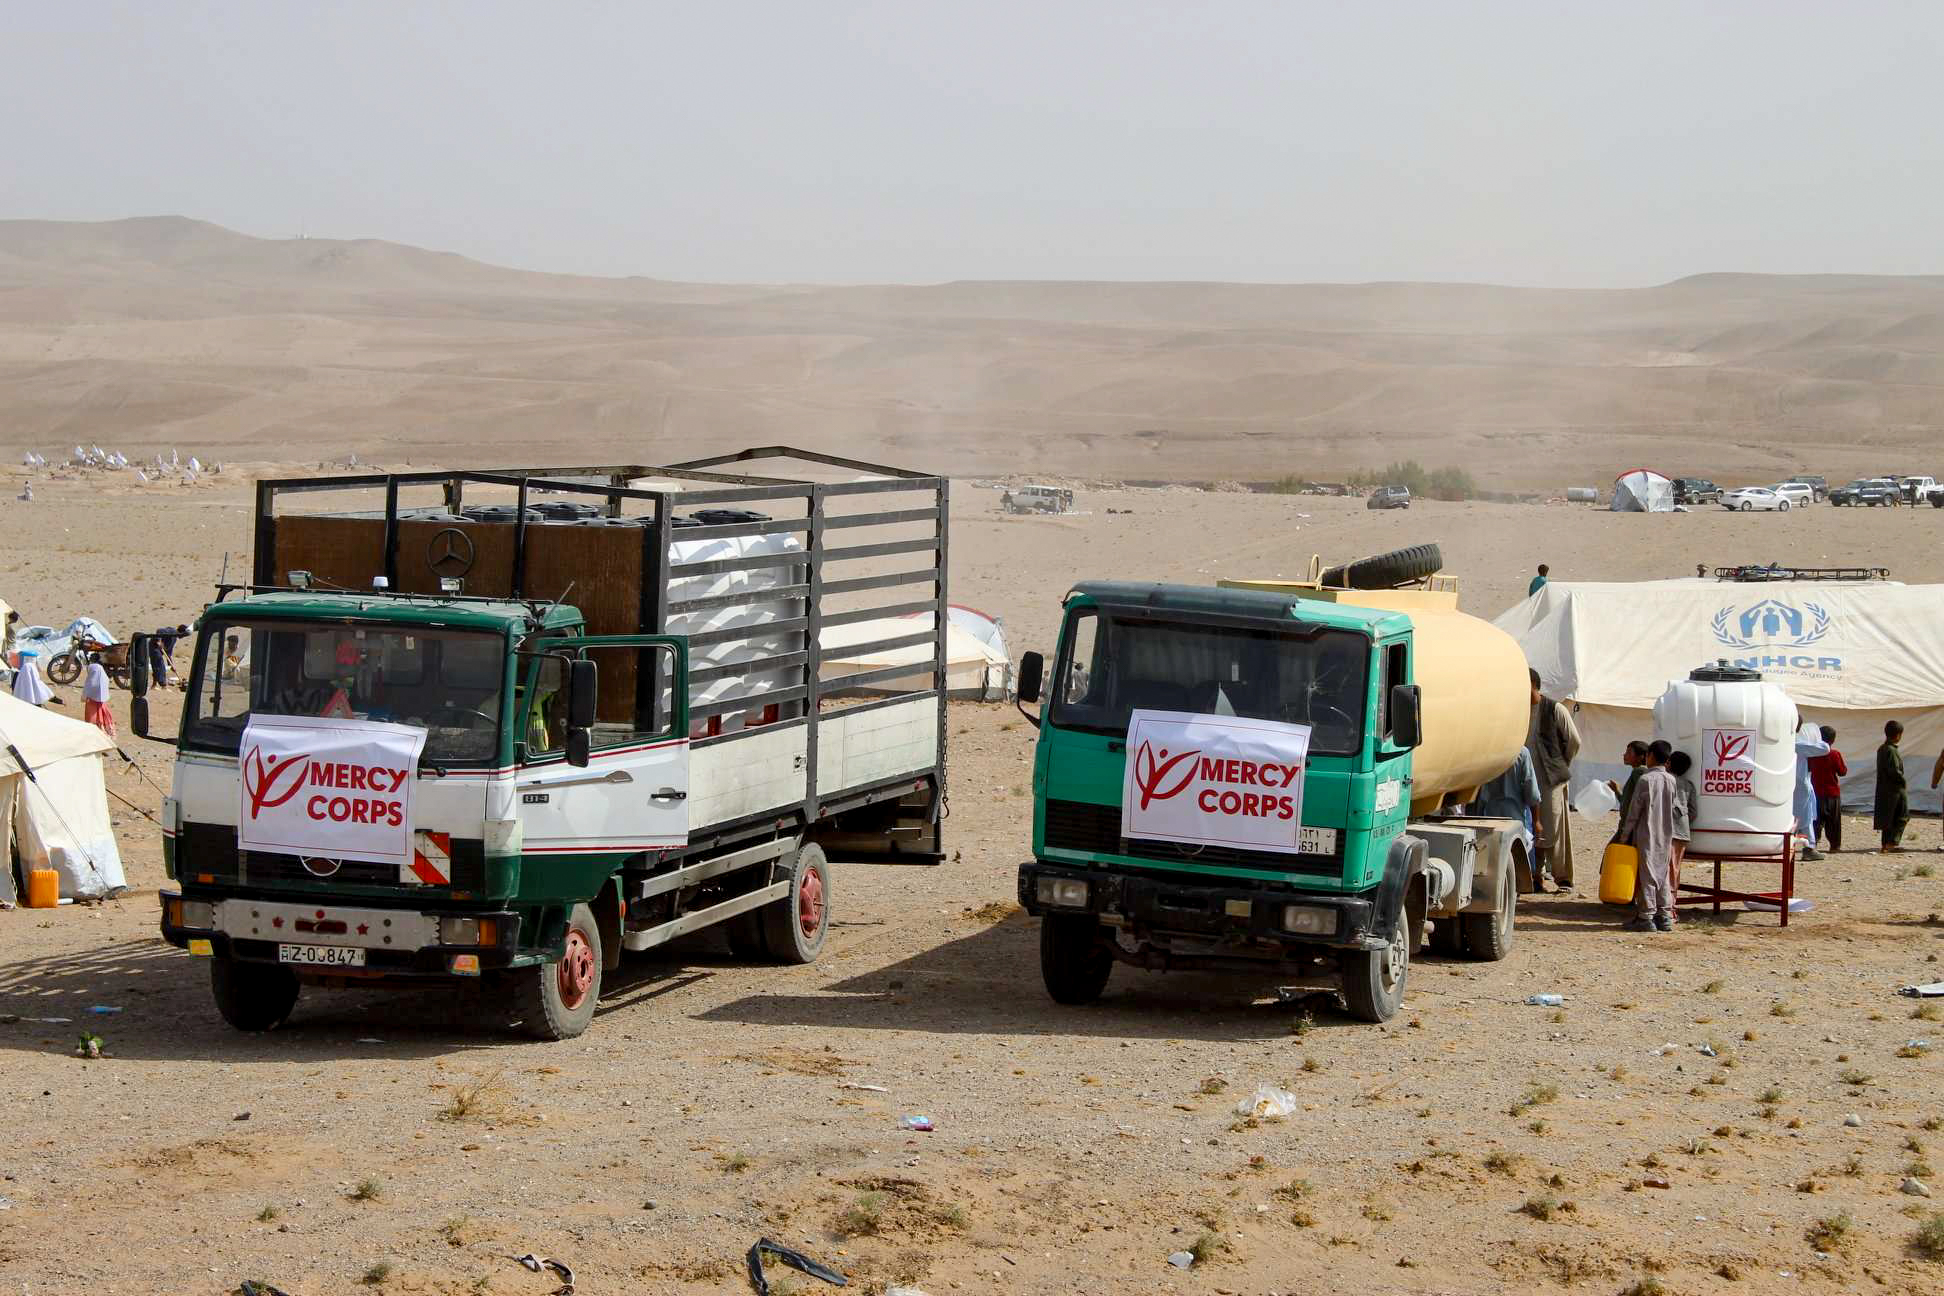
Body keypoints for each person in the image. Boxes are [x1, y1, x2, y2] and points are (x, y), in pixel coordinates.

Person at [1526, 669, 1582, 888]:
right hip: (1527, 779)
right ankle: (1535, 876)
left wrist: (1560, 764)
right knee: (1531, 826)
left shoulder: (1554, 709)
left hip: (1550, 780)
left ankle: (1562, 878)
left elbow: (1574, 741)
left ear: (1532, 684)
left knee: (1554, 829)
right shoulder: (1519, 710)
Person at [1618, 740, 1678, 931]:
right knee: (1663, 874)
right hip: (1666, 833)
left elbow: (1634, 812)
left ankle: (1645, 917)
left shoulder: (1645, 780)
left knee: (1647, 874)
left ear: (1650, 756)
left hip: (1647, 832)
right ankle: (1664, 916)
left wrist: (1624, 835)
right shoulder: (1671, 780)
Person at [1474, 745, 1544, 864]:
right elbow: (1532, 794)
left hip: (1485, 821)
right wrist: (1537, 821)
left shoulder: (1483, 749)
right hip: (1514, 821)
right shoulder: (1522, 752)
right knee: (1519, 862)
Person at [1793, 720, 1830, 861]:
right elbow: (1825, 748)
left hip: (1792, 783)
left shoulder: (1784, 740)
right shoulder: (1798, 744)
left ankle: (1807, 846)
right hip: (1799, 784)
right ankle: (1809, 848)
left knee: (1799, 816)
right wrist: (1814, 739)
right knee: (1804, 816)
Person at [1809, 726, 1847, 853]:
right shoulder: (1835, 754)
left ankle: (1812, 844)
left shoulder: (1812, 754)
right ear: (1833, 740)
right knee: (1834, 821)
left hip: (1816, 792)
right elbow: (1842, 771)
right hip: (1832, 793)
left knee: (1816, 820)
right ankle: (1834, 846)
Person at [1876, 721, 1910, 852]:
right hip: (1895, 789)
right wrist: (1903, 781)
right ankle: (1892, 843)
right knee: (1902, 815)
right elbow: (1895, 771)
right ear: (1898, 735)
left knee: (1889, 816)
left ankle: (1886, 844)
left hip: (1885, 789)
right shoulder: (1891, 751)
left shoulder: (1882, 749)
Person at [1667, 749, 1696, 897]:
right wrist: (1681, 820)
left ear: (1669, 763)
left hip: (1665, 831)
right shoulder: (1688, 785)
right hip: (1682, 832)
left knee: (1662, 869)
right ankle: (1672, 903)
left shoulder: (1664, 780)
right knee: (1675, 868)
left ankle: (1666, 907)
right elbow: (1693, 812)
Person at [1610, 740, 1649, 824]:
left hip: (1630, 825)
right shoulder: (1638, 772)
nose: (1624, 755)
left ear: (1641, 756)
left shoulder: (1639, 772)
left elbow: (1639, 802)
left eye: (1629, 752)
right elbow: (1627, 802)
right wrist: (1616, 790)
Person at [82, 652, 116, 737]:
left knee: (92, 715)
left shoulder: (92, 667)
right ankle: (107, 730)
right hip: (101, 696)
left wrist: (84, 695)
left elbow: (90, 682)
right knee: (103, 712)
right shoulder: (100, 668)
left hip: (92, 696)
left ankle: (95, 732)